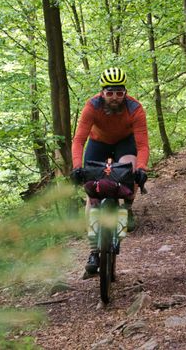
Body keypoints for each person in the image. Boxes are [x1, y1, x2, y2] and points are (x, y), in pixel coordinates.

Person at [70, 67, 150, 276]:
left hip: (125, 142)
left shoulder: (134, 108)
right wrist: (77, 167)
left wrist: (141, 169)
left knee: (129, 172)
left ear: (125, 92)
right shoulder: (91, 106)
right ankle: (94, 251)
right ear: (102, 92)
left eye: (119, 93)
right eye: (110, 93)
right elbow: (79, 140)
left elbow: (142, 145)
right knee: (92, 196)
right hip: (98, 143)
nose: (115, 98)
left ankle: (127, 207)